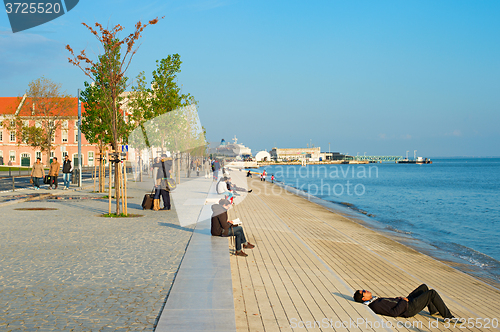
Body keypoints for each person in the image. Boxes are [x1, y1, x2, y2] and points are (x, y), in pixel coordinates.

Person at [353, 284, 455, 319]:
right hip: (408, 308)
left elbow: (390, 303)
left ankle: (433, 310)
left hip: (404, 302)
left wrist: (399, 299)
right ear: (364, 298)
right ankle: (448, 317)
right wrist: (403, 302)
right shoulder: (375, 305)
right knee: (431, 293)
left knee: (423, 287)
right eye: (364, 292)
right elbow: (394, 313)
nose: (367, 290)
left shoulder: (374, 300)